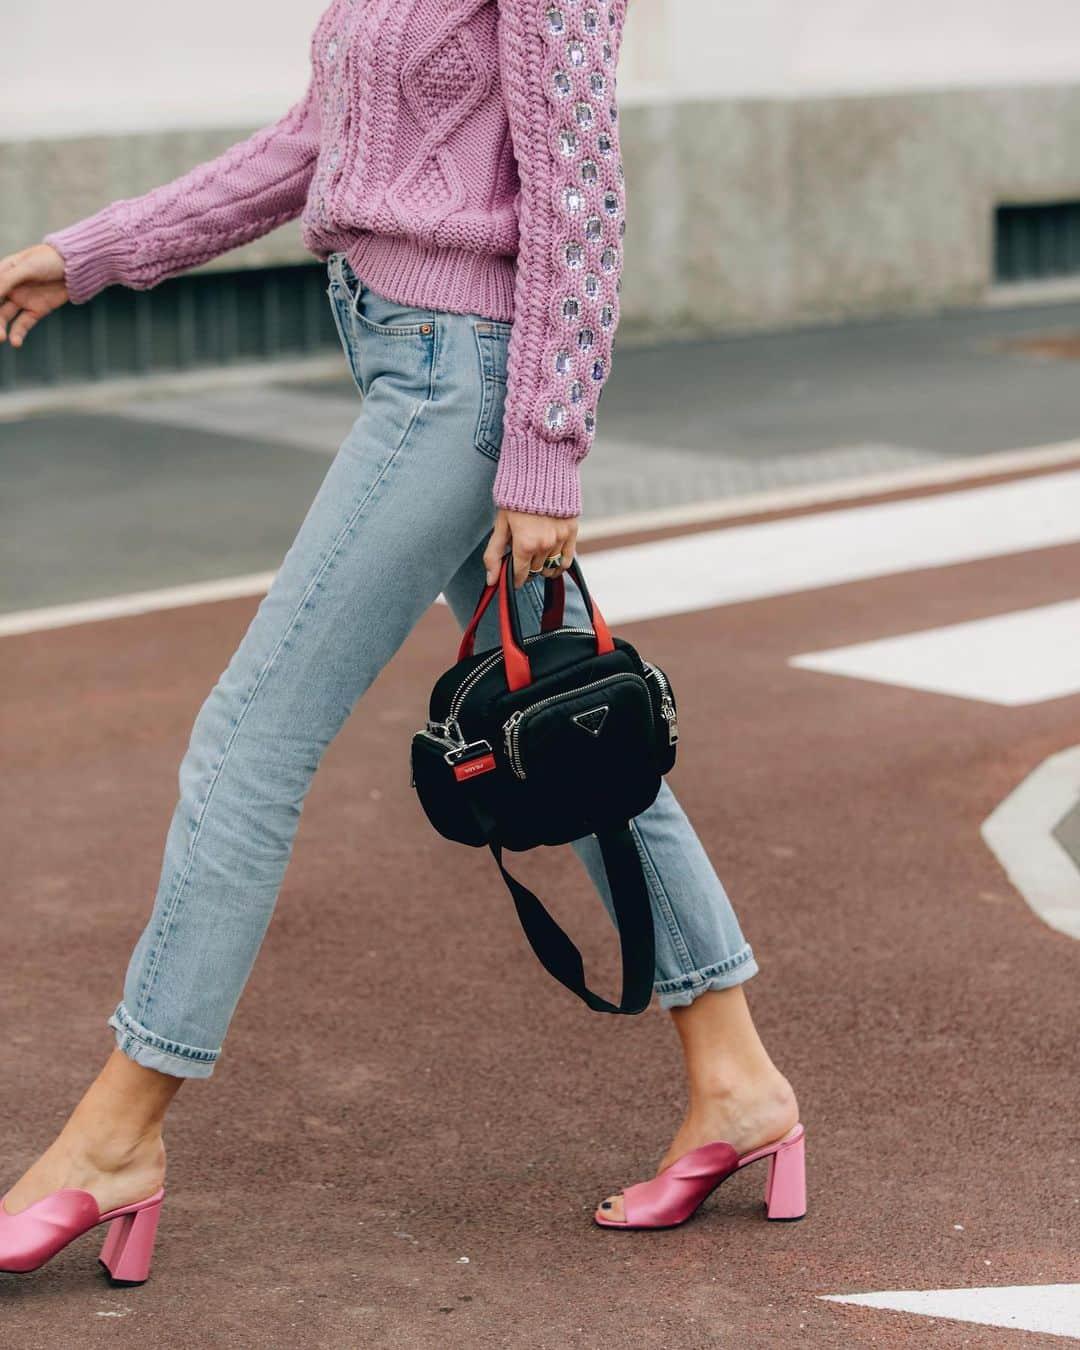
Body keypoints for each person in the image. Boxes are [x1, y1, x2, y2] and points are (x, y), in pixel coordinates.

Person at [0, 0, 802, 1276]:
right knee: (578, 731)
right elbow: (317, 140)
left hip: (460, 388)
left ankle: (115, 1140)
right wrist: (85, 253)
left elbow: (582, 192)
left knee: (248, 745)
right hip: (408, 364)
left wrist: (545, 449)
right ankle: (738, 1081)